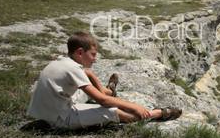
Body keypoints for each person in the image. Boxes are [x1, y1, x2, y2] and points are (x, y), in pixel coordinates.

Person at [27, 31, 181, 129]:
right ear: (80, 52)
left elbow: (86, 73)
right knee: (114, 112)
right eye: (93, 54)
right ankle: (158, 113)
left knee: (88, 80)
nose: (95, 59)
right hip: (59, 120)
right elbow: (103, 102)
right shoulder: (74, 69)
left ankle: (109, 89)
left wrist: (103, 92)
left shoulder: (62, 61)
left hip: (47, 112)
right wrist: (133, 105)